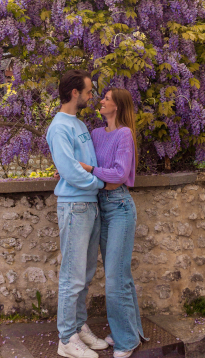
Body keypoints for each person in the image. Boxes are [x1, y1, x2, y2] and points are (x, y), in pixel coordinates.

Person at [46, 70, 118, 358]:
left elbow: (83, 164)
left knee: (85, 274)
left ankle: (77, 326)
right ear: (75, 92)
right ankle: (66, 339)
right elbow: (71, 170)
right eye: (89, 91)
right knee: (72, 275)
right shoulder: (59, 126)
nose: (92, 96)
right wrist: (101, 182)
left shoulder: (77, 123)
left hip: (89, 204)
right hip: (75, 205)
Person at [79, 88, 146, 358]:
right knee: (121, 277)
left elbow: (118, 175)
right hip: (100, 207)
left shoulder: (124, 134)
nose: (101, 101)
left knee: (115, 279)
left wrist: (90, 170)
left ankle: (126, 341)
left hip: (119, 207)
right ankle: (130, 333)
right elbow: (85, 163)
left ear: (117, 106)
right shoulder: (95, 134)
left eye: (106, 98)